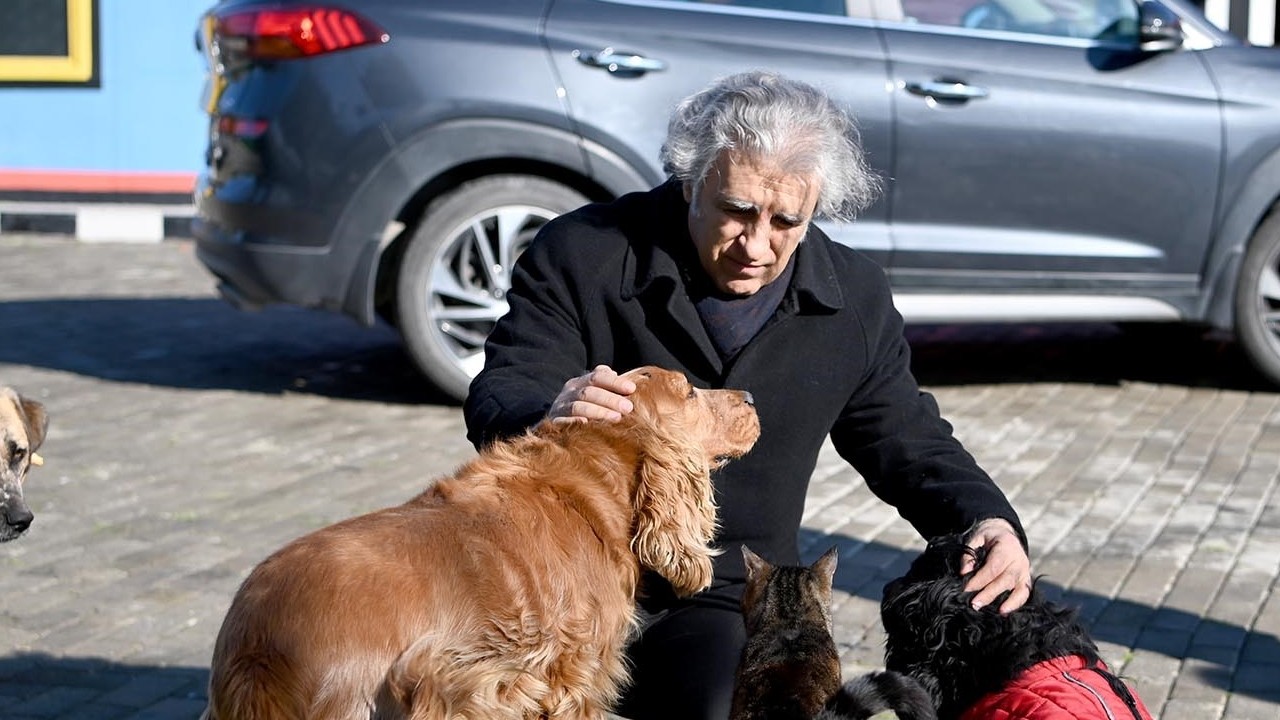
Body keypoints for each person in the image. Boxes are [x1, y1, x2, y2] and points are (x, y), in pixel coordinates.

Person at [463, 70, 1032, 720]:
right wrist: (547, 413)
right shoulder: (584, 252)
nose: (757, 246)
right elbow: (504, 389)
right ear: (689, 180)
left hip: (719, 591)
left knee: (718, 702)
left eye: (786, 220)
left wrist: (986, 519)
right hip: (561, 569)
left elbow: (907, 437)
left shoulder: (853, 298)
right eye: (736, 211)